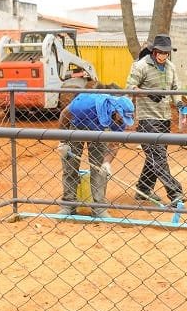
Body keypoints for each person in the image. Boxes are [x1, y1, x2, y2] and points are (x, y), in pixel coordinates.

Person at [126, 34, 187, 206]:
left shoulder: (171, 67)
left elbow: (175, 88)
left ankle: (143, 189)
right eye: (160, 52)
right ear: (154, 51)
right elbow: (130, 87)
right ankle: (175, 193)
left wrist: (179, 103)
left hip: (164, 118)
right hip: (147, 119)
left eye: (166, 53)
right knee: (158, 158)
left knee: (154, 157)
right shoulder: (141, 66)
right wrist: (148, 93)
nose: (163, 55)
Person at [57, 85, 134, 218]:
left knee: (99, 169)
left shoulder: (119, 119)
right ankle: (68, 205)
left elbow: (114, 144)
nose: (122, 121)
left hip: (99, 131)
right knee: (70, 165)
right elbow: (64, 115)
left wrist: (107, 163)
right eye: (121, 118)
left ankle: (99, 208)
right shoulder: (85, 105)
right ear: (115, 110)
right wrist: (63, 142)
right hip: (77, 125)